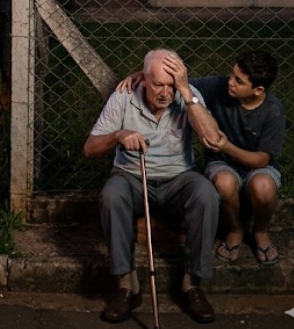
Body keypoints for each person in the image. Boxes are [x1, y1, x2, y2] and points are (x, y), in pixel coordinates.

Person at [84, 48, 219, 324]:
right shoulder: (124, 96)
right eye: (159, 84)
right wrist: (118, 135)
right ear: (143, 79)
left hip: (179, 179)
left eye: (171, 85)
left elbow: (212, 138)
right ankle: (126, 286)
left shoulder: (186, 95)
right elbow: (90, 148)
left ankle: (192, 284)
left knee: (206, 194)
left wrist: (184, 89)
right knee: (111, 194)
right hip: (132, 177)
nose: (165, 93)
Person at [192, 49, 285, 267]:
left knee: (263, 186)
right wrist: (140, 75)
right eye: (232, 75)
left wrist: (226, 146)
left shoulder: (273, 111)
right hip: (222, 163)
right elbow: (184, 84)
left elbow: (262, 160)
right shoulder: (220, 86)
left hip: (257, 166)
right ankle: (235, 230)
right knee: (224, 182)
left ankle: (260, 231)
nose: (230, 82)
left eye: (239, 80)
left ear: (258, 90)